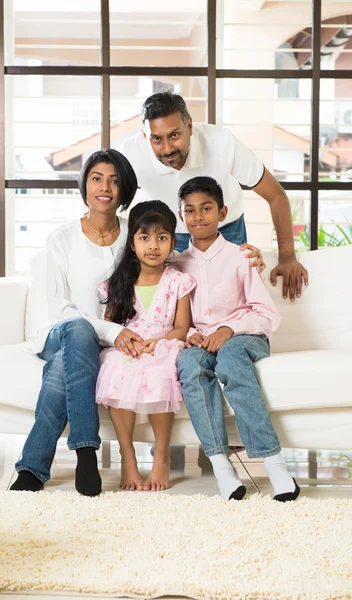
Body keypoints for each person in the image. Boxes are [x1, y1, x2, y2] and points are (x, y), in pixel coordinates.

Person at [10, 149, 145, 496]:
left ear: (125, 189)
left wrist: (239, 255)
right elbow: (60, 309)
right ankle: (87, 451)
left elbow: (173, 257)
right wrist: (113, 332)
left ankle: (32, 469)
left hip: (89, 349)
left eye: (114, 180)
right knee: (78, 331)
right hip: (60, 333)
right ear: (85, 184)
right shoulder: (63, 238)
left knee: (62, 369)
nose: (105, 187)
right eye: (97, 178)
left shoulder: (135, 235)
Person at [174, 176, 300, 502]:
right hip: (202, 342)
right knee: (188, 363)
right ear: (181, 216)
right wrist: (193, 335)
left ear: (222, 212)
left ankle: (275, 465)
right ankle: (222, 468)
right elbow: (176, 319)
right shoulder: (176, 265)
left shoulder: (240, 256)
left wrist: (228, 330)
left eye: (206, 208)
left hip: (245, 337)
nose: (198, 216)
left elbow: (266, 314)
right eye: (190, 210)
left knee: (230, 358)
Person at [120, 90, 308, 302]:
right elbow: (108, 202)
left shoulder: (222, 143)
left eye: (174, 135)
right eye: (156, 139)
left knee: (232, 300)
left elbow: (275, 195)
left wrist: (287, 257)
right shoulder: (131, 154)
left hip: (227, 227)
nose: (167, 148)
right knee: (181, 306)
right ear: (146, 137)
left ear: (189, 126)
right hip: (174, 234)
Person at [96, 200, 195, 492]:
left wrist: (159, 342)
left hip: (164, 345)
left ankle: (161, 455)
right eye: (144, 238)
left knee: (159, 372)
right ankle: (128, 457)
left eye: (162, 238)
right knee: (115, 368)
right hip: (128, 348)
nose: (153, 245)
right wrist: (125, 341)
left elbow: (181, 328)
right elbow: (110, 327)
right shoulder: (119, 283)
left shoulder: (178, 282)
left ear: (172, 242)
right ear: (132, 244)